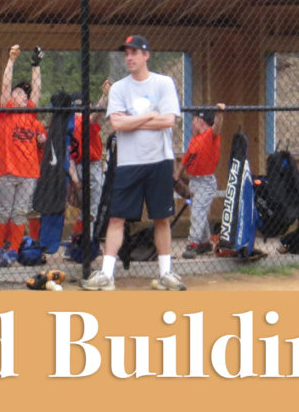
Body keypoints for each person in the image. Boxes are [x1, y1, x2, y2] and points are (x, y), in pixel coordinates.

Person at [82, 35, 185, 291]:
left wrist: (135, 119)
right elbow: (117, 125)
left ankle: (165, 273)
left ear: (146, 55)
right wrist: (150, 115)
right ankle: (107, 275)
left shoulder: (163, 83)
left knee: (161, 218)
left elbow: (168, 121)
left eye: (135, 53)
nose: (129, 57)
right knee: (117, 217)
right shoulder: (118, 89)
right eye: (127, 53)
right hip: (129, 163)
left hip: (159, 160)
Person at [0, 45, 46, 262]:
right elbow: (5, 86)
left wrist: (36, 65)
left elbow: (37, 90)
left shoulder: (30, 115)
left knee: (20, 212)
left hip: (29, 172)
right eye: (17, 93)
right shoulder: (6, 114)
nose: (20, 95)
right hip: (8, 170)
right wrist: (11, 60)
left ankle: (13, 250)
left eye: (23, 93)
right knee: (4, 211)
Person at [179, 103, 225, 259]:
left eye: (194, 119)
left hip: (206, 182)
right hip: (194, 181)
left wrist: (219, 114)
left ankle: (192, 244)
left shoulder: (211, 136)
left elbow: (217, 127)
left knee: (198, 212)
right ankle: (205, 243)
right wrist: (177, 175)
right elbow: (185, 160)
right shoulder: (194, 140)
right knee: (198, 212)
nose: (192, 122)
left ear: (200, 120)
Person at [69, 79, 111, 234]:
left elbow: (96, 114)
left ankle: (80, 238)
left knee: (87, 208)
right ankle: (84, 239)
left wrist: (104, 97)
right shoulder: (76, 121)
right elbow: (96, 114)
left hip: (82, 166)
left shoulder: (72, 122)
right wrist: (105, 96)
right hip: (84, 166)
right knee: (91, 208)